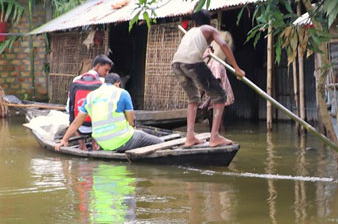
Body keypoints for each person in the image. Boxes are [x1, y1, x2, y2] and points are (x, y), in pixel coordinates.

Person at [172, 9, 245, 147]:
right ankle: (214, 137)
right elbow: (223, 44)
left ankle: (190, 137)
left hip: (176, 64)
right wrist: (236, 68)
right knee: (220, 96)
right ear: (210, 21)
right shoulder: (209, 29)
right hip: (192, 63)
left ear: (194, 22)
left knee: (193, 98)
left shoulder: (191, 33)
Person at [56, 73, 162, 153]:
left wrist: (64, 140)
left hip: (102, 143)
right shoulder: (122, 93)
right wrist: (131, 128)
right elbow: (130, 121)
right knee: (159, 142)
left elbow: (76, 122)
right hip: (121, 141)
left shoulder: (91, 96)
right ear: (118, 84)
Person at [67, 54, 114, 150]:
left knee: (73, 113)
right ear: (98, 66)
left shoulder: (76, 80)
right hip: (95, 127)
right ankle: (94, 144)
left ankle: (82, 144)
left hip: (78, 126)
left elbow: (69, 107)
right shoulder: (102, 82)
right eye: (106, 70)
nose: (107, 73)